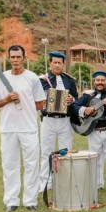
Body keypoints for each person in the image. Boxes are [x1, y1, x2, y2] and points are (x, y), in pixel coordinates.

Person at [0, 45, 46, 212]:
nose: (15, 60)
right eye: (12, 57)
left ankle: (30, 201)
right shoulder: (2, 78)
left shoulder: (32, 78)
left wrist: (26, 110)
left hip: (28, 128)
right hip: (8, 128)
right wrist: (6, 99)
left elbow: (40, 102)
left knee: (31, 164)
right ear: (9, 58)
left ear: (24, 57)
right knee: (9, 164)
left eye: (18, 57)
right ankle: (11, 201)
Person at [70, 71, 106, 192]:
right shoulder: (88, 96)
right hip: (93, 131)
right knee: (96, 158)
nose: (100, 83)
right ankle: (97, 184)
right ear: (94, 82)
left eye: (102, 80)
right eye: (97, 80)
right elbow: (74, 105)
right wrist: (85, 110)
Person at [38, 51, 79, 191]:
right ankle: (45, 183)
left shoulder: (69, 80)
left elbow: (76, 98)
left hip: (65, 120)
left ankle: (63, 181)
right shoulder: (42, 80)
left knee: (65, 151)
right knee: (46, 152)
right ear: (50, 63)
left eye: (59, 63)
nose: (57, 65)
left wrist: (71, 100)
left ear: (63, 64)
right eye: (54, 62)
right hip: (48, 119)